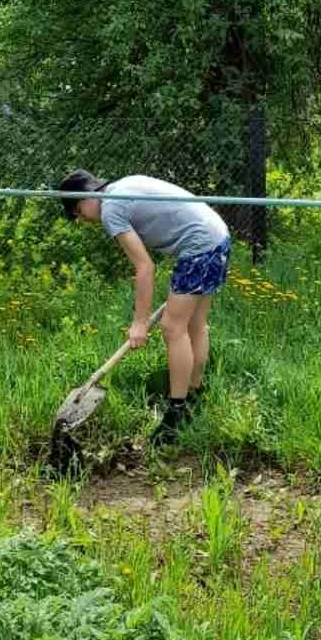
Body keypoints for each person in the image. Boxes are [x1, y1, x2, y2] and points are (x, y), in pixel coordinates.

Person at [57, 169, 231, 443]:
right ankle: (194, 396)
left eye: (78, 211)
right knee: (194, 324)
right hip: (218, 236)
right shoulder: (123, 185)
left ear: (88, 197)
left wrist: (140, 322)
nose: (81, 219)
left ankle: (176, 416)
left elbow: (144, 267)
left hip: (200, 246)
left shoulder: (110, 210)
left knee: (173, 328)